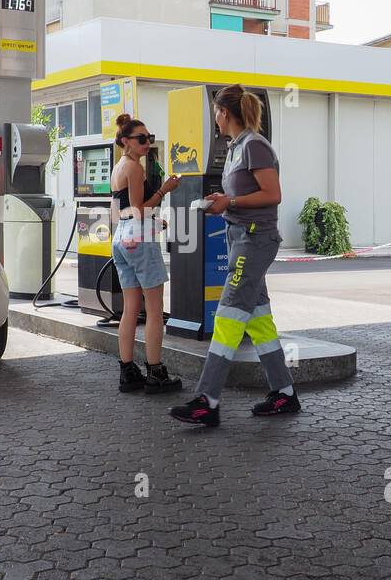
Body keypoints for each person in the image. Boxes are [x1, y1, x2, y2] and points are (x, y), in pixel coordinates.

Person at [169, 84, 300, 427]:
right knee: (258, 320)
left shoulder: (255, 145)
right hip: (241, 237)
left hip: (255, 241)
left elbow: (273, 194)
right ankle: (284, 393)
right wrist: (223, 198)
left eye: (215, 111)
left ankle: (207, 400)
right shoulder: (237, 147)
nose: (214, 117)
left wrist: (231, 202)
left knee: (227, 315)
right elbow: (245, 191)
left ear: (224, 113)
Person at [109, 113, 182, 394]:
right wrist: (165, 189)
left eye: (149, 139)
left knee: (130, 308)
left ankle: (128, 372)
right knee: (153, 309)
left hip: (122, 236)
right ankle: (156, 373)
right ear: (126, 141)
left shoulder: (119, 168)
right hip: (139, 237)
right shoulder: (135, 168)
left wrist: (152, 220)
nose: (147, 143)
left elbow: (126, 209)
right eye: (141, 139)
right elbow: (140, 209)